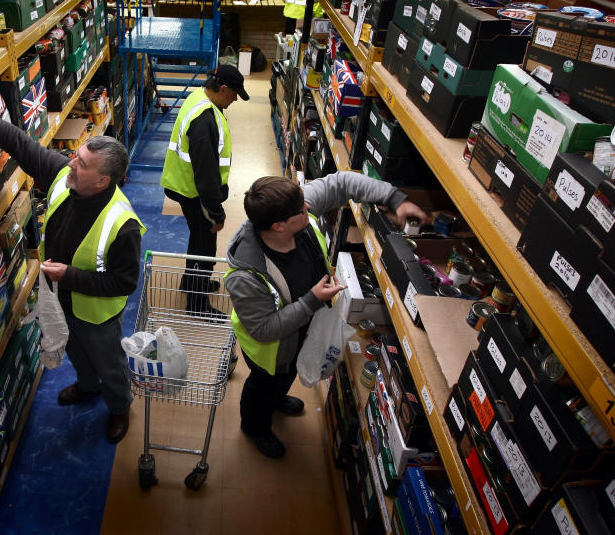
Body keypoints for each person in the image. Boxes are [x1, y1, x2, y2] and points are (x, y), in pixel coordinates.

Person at [0, 108, 145, 444]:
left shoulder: (123, 225)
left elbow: (124, 282)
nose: (72, 164)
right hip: (60, 299)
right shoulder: (64, 176)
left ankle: (119, 407)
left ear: (103, 180)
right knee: (73, 347)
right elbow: (28, 149)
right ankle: (88, 386)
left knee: (109, 364)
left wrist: (70, 276)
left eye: (82, 164)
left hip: (97, 314)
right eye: (77, 156)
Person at [224, 173, 427, 458]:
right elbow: (264, 329)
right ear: (279, 225)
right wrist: (311, 301)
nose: (307, 208)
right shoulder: (246, 275)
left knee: (284, 380)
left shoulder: (294, 209)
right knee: (263, 386)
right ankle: (255, 426)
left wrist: (395, 199)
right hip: (270, 351)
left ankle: (278, 398)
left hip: (301, 336)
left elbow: (341, 183)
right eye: (300, 211)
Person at [161, 64, 248, 317]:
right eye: (234, 94)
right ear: (222, 89)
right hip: (195, 193)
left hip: (186, 186)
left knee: (197, 237)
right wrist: (216, 213)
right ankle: (197, 306)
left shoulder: (199, 98)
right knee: (204, 247)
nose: (234, 99)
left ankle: (190, 283)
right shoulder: (205, 120)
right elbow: (206, 174)